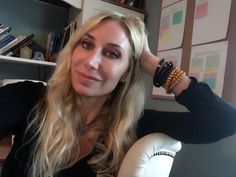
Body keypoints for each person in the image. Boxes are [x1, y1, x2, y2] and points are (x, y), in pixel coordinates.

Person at [0, 12, 236, 177]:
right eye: (86, 44)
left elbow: (223, 121)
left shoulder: (134, 125)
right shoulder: (29, 98)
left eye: (112, 54)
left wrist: (154, 65)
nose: (91, 62)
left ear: (126, 72)